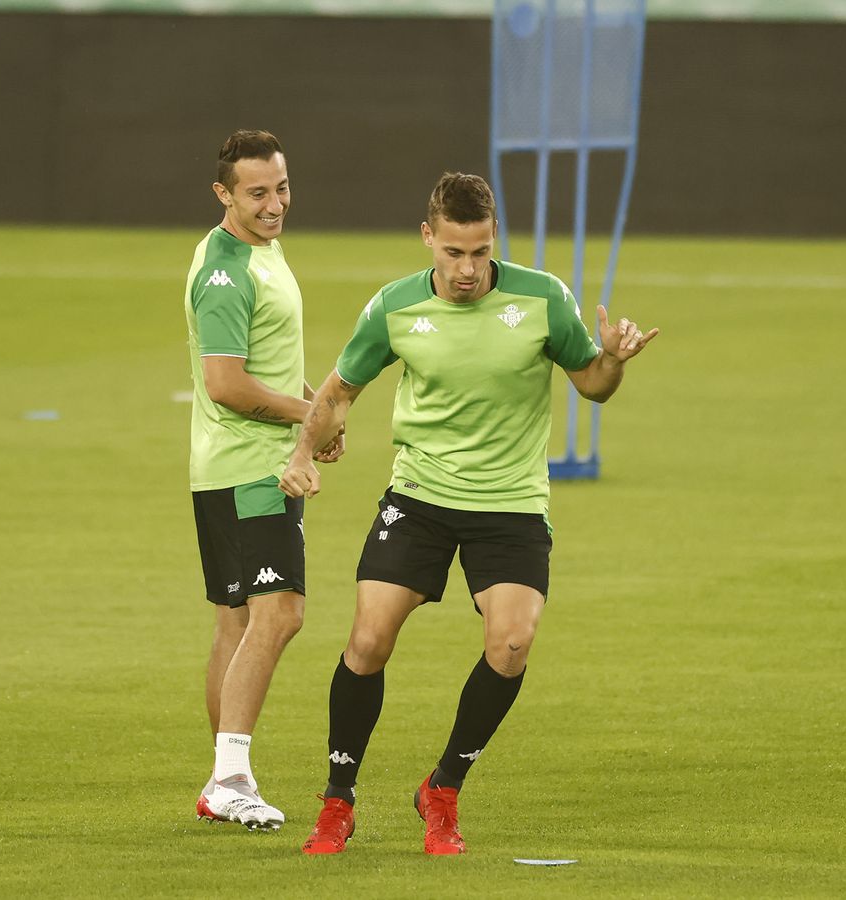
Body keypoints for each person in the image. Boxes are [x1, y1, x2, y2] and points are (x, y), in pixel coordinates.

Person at [281, 173, 657, 855]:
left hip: (510, 501)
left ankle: (443, 788)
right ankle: (338, 800)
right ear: (429, 238)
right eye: (453, 252)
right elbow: (338, 393)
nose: (467, 268)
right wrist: (307, 448)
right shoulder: (394, 307)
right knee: (368, 640)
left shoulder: (542, 298)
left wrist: (612, 359)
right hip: (419, 496)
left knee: (511, 646)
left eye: (480, 252)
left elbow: (593, 387)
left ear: (494, 242)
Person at [184, 130, 342, 831]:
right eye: (258, 192)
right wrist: (313, 416)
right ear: (223, 193)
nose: (275, 203)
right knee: (281, 614)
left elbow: (264, 363)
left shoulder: (259, 250)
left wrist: (308, 414)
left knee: (237, 624)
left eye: (281, 187)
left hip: (231, 464)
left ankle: (228, 778)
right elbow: (225, 383)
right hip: (251, 467)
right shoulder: (225, 269)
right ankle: (229, 778)